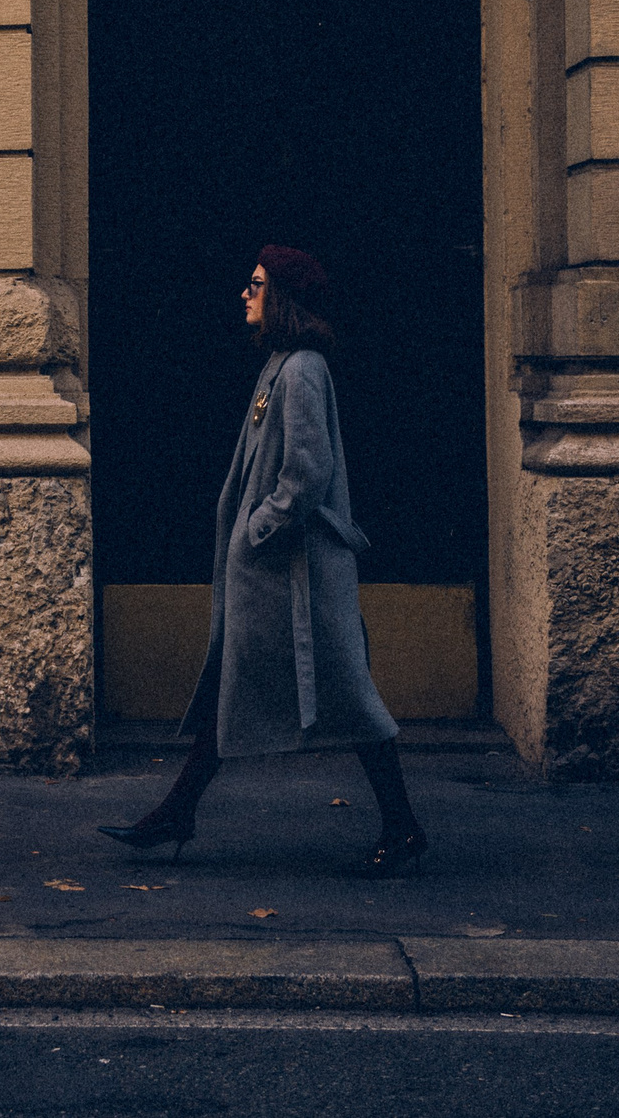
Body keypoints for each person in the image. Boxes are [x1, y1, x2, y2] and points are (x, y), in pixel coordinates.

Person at [98, 245, 428, 875]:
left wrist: (259, 528)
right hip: (277, 578)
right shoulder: (283, 364)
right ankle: (177, 812)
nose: (244, 294)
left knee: (352, 700)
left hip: (296, 578)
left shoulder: (302, 369)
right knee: (237, 686)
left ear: (282, 297)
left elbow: (306, 473)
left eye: (255, 285)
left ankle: (403, 825)